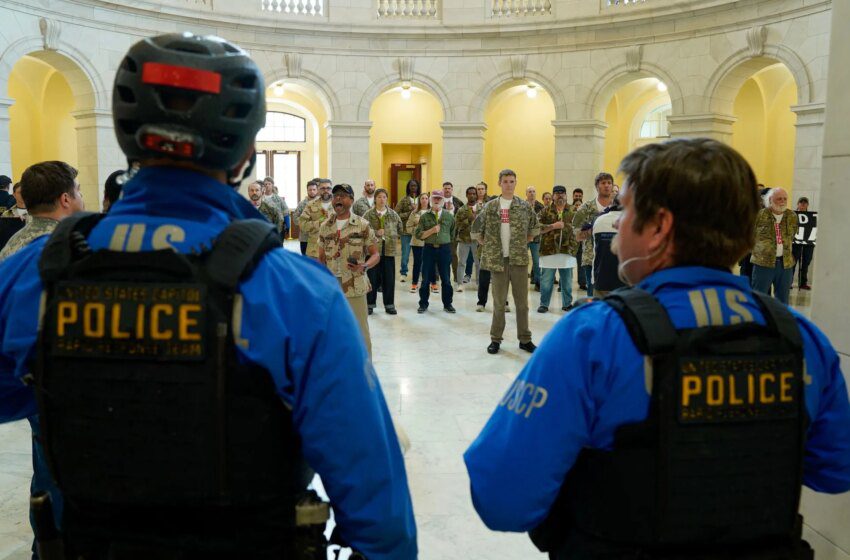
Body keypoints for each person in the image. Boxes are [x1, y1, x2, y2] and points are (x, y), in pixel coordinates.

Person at [0, 33, 416, 560]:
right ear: (245, 152)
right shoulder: (295, 294)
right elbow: (382, 522)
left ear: (129, 139)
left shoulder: (35, 275)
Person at [464, 138, 850, 559]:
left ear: (659, 226)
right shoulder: (800, 339)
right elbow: (835, 470)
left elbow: (500, 497)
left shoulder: (595, 338)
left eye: (625, 211)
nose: (614, 230)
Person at [472, 169, 539, 354]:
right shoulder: (491, 206)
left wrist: (526, 239)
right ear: (499, 183)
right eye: (505, 181)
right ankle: (496, 339)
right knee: (499, 303)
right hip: (498, 261)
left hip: (518, 260)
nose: (509, 184)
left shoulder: (524, 206)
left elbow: (535, 227)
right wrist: (484, 242)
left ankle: (525, 339)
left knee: (522, 303)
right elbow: (476, 227)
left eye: (512, 181)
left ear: (516, 183)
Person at [318, 184, 381, 355]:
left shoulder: (362, 225)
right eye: (335, 195)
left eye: (343, 195)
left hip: (354, 283)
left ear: (351, 200)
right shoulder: (325, 226)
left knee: (360, 329)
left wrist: (364, 265)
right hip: (332, 285)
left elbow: (376, 254)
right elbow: (321, 257)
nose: (338, 198)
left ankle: (364, 369)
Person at [0, 161, 85, 261]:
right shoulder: (68, 246)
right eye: (78, 190)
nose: (81, 195)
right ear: (65, 199)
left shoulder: (14, 241)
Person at [751, 187, 797, 305]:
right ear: (770, 199)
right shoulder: (759, 215)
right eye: (779, 199)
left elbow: (792, 235)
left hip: (785, 265)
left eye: (785, 199)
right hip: (763, 264)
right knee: (759, 298)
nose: (782, 201)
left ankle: (780, 323)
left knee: (783, 301)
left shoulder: (792, 216)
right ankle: (760, 322)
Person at [537, 185, 578, 313]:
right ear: (553, 196)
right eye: (557, 193)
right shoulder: (545, 210)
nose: (560, 195)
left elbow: (580, 227)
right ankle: (544, 304)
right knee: (546, 281)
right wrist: (552, 226)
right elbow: (536, 227)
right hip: (549, 251)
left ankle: (567, 304)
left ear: (566, 195)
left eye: (562, 193)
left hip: (567, 251)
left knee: (566, 281)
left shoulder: (573, 210)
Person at [573, 173, 614, 296]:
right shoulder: (586, 208)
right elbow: (576, 233)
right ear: (597, 187)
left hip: (613, 256)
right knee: (592, 294)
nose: (606, 186)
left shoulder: (618, 206)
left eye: (609, 183)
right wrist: (591, 232)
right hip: (591, 257)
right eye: (603, 183)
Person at [415, 190, 456, 314]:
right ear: (431, 200)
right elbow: (418, 235)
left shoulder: (449, 216)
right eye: (435, 199)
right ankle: (423, 304)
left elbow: (453, 233)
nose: (437, 201)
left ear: (443, 201)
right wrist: (432, 231)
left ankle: (448, 304)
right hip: (429, 249)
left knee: (446, 278)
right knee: (426, 278)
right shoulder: (424, 216)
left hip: (444, 249)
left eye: (439, 198)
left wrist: (444, 241)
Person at [363, 188, 402, 315]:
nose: (382, 199)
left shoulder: (393, 214)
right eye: (379, 197)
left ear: (387, 199)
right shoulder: (368, 214)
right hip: (373, 252)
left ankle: (389, 304)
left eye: (384, 197)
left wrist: (391, 235)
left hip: (389, 251)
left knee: (389, 279)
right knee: (372, 277)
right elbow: (362, 230)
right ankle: (370, 304)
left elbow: (400, 229)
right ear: (375, 199)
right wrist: (375, 232)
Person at [591, 198, 626, 297]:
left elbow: (595, 246)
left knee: (600, 311)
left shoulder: (599, 220)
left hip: (601, 277)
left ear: (611, 205)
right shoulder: (631, 221)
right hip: (624, 281)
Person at [454, 186, 480, 293]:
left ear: (476, 195)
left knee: (478, 263)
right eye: (470, 193)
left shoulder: (481, 209)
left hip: (478, 241)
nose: (472, 195)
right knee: (462, 262)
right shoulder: (461, 210)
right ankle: (460, 283)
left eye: (474, 193)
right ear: (466, 195)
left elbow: (485, 224)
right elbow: (457, 224)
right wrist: (468, 220)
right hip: (464, 239)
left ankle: (479, 283)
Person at [300, 178, 333, 258]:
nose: (326, 190)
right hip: (315, 250)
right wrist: (319, 222)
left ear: (331, 189)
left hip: (335, 250)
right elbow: (302, 225)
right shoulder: (310, 205)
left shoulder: (339, 205)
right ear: (318, 189)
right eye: (323, 188)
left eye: (328, 188)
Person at [395, 178, 420, 283]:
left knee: (419, 255)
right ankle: (403, 273)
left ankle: (420, 273)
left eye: (415, 186)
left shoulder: (422, 199)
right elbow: (396, 214)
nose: (413, 188)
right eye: (411, 186)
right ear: (408, 188)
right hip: (406, 231)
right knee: (405, 253)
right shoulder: (404, 200)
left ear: (418, 187)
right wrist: (410, 211)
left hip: (419, 233)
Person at [406, 192, 430, 293]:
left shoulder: (432, 212)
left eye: (426, 198)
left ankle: (428, 284)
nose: (424, 200)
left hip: (429, 242)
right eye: (422, 198)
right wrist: (416, 233)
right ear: (419, 201)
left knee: (428, 264)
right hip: (417, 242)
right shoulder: (414, 213)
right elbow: (408, 227)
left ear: (429, 200)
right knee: (417, 263)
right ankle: (414, 283)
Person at [792, 196, 814, 290]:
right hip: (795, 242)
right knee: (792, 262)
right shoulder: (792, 215)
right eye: (801, 202)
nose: (803, 204)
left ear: (807, 205)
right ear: (798, 204)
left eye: (805, 203)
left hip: (808, 243)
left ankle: (803, 283)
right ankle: (789, 282)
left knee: (806, 262)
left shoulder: (812, 217)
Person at [294, 179, 319, 255]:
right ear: (307, 190)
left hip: (318, 237)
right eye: (310, 190)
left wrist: (316, 223)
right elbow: (295, 218)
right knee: (305, 259)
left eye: (314, 189)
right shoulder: (302, 204)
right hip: (305, 238)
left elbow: (325, 218)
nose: (312, 191)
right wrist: (306, 224)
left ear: (317, 190)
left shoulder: (321, 203)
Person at [525, 186, 544, 291]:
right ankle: (521, 282)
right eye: (529, 192)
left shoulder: (540, 206)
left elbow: (542, 221)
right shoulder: (521, 205)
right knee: (522, 261)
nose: (532, 193)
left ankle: (538, 283)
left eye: (533, 191)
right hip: (523, 238)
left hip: (536, 239)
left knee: (537, 262)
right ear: (526, 194)